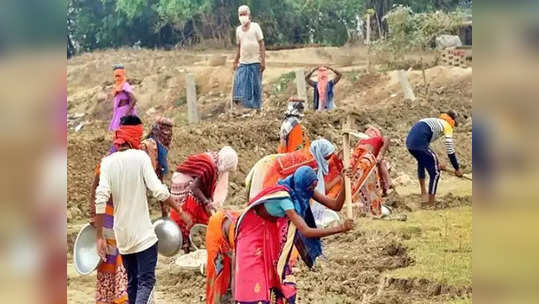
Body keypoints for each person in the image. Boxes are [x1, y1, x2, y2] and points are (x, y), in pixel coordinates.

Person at [234, 166, 354, 304]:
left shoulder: (303, 188)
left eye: (313, 187)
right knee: (256, 279)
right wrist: (340, 228)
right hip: (254, 233)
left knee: (276, 278)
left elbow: (335, 205)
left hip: (270, 232)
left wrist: (345, 182)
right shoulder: (285, 198)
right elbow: (306, 231)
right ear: (303, 185)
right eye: (311, 188)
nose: (311, 192)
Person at [94, 115, 179, 304]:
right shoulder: (140, 157)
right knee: (146, 283)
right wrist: (179, 210)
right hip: (143, 236)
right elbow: (158, 191)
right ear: (137, 136)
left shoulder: (108, 162)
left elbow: (100, 197)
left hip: (122, 237)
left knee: (132, 284)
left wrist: (100, 236)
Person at [169, 146, 238, 252]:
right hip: (184, 184)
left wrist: (209, 201)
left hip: (193, 183)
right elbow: (194, 187)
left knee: (203, 207)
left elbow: (206, 184)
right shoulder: (210, 165)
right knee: (194, 208)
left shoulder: (216, 159)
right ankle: (187, 240)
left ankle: (192, 238)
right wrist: (206, 202)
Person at [406, 110, 463, 206]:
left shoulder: (435, 121)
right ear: (452, 121)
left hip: (410, 143)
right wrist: (457, 168)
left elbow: (427, 151)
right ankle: (431, 203)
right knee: (435, 173)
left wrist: (436, 164)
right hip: (419, 144)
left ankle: (424, 194)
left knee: (422, 161)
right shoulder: (447, 125)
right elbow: (450, 149)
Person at [232, 5, 265, 110]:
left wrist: (263, 60)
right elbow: (238, 46)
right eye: (240, 14)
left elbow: (261, 43)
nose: (242, 16)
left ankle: (257, 108)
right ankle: (246, 107)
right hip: (243, 62)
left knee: (256, 85)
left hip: (255, 61)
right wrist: (235, 61)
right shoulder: (238, 30)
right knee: (241, 84)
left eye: (244, 14)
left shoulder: (255, 27)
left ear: (249, 15)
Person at [205, 210, 240, 304]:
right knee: (216, 270)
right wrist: (235, 299)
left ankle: (227, 293)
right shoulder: (240, 241)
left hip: (230, 230)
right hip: (217, 227)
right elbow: (235, 272)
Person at [141, 117, 174, 218]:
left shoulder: (161, 149)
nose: (168, 135)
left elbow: (159, 175)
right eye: (164, 130)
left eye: (169, 131)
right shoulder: (147, 146)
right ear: (157, 130)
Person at [355, 125, 391, 196]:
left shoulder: (364, 141)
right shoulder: (366, 141)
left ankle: (384, 188)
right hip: (366, 160)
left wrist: (380, 155)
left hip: (368, 160)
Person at [108, 65, 137, 131]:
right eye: (116, 76)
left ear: (123, 75)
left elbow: (134, 99)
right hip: (118, 112)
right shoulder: (117, 86)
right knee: (117, 133)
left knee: (121, 132)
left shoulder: (125, 85)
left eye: (119, 76)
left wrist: (127, 113)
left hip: (124, 111)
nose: (117, 78)